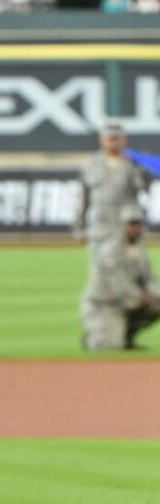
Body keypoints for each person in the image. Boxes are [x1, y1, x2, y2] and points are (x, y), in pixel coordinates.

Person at [81, 204, 160, 350]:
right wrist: (142, 297)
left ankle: (127, 337)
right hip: (104, 304)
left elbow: (149, 278)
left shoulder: (139, 250)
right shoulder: (111, 250)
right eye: (131, 224)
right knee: (108, 346)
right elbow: (119, 284)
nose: (135, 228)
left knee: (157, 306)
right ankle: (94, 334)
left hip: (126, 303)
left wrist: (156, 295)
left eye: (137, 224)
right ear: (123, 226)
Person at [72, 119, 150, 252]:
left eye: (117, 139)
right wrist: (80, 228)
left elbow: (144, 189)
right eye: (110, 139)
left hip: (127, 228)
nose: (113, 143)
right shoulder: (91, 165)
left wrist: (137, 167)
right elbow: (83, 199)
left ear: (123, 140)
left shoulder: (133, 163)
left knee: (132, 269)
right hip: (100, 227)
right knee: (101, 269)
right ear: (102, 140)